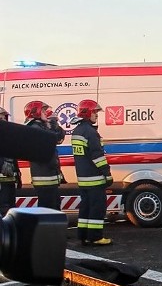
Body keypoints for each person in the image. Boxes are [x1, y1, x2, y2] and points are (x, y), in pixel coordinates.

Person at [71, 100, 113, 246]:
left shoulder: (77, 131)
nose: (96, 115)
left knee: (86, 207)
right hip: (95, 178)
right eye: (95, 112)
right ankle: (95, 237)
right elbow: (97, 156)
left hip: (83, 179)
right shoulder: (90, 132)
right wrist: (107, 173)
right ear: (87, 113)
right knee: (97, 208)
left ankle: (83, 235)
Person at [24, 100, 65, 209]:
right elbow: (45, 151)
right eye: (43, 110)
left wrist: (54, 125)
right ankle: (47, 226)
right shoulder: (35, 129)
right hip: (45, 177)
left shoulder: (41, 127)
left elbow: (58, 138)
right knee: (48, 208)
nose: (46, 113)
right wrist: (53, 164)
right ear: (35, 112)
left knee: (54, 205)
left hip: (49, 177)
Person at [0, 107, 22, 216]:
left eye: (4, 117)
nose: (4, 120)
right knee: (4, 208)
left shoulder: (7, 135)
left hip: (10, 180)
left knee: (11, 208)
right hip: (2, 182)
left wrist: (18, 175)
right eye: (1, 118)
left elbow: (13, 158)